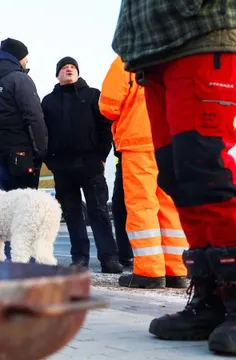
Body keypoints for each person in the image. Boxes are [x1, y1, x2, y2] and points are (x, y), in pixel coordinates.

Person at [111, 1, 236, 353]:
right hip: (153, 52)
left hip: (202, 32)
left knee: (207, 168)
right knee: (178, 178)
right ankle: (214, 298)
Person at [100, 56, 188, 289]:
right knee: (169, 206)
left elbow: (108, 106)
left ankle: (149, 271)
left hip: (139, 142)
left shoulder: (126, 61)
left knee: (142, 206)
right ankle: (176, 270)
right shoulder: (174, 59)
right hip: (171, 140)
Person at [42, 56, 123, 274]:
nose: (68, 69)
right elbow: (43, 133)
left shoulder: (93, 95)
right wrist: (50, 160)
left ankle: (109, 258)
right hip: (62, 166)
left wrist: (101, 155)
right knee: (72, 214)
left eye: (72, 67)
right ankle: (79, 258)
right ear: (57, 74)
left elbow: (106, 126)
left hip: (90, 164)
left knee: (98, 211)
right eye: (64, 67)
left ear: (77, 72)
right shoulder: (48, 101)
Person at [0, 38, 47, 191]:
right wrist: (41, 150)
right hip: (22, 153)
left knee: (9, 203)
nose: (27, 61)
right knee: (27, 205)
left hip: (1, 154)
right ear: (17, 57)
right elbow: (34, 116)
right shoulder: (19, 79)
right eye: (25, 57)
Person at [110, 152, 134, 269]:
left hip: (134, 158)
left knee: (138, 209)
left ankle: (128, 255)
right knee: (120, 209)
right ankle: (126, 255)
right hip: (125, 161)